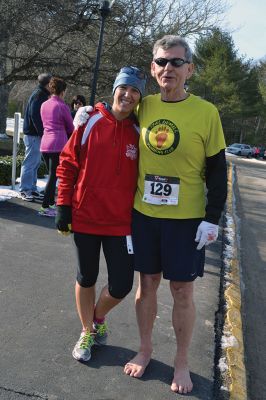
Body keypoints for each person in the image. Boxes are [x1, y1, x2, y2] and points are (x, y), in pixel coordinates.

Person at [122, 35, 227, 394]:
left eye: (176, 63)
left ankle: (182, 362)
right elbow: (114, 118)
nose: (169, 68)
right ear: (152, 69)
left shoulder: (206, 112)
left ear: (190, 69)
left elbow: (217, 171)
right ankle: (146, 349)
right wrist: (90, 111)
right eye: (162, 62)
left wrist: (212, 218)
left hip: (187, 220)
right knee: (146, 284)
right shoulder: (143, 106)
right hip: (144, 215)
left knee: (182, 290)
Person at [55, 67, 146, 362]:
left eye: (135, 91)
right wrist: (62, 205)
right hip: (86, 216)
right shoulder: (90, 121)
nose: (128, 95)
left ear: (139, 97)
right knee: (87, 276)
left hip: (121, 222)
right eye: (124, 88)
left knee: (122, 284)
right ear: (115, 89)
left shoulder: (139, 131)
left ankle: (97, 318)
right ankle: (86, 331)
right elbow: (67, 163)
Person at [39, 77, 74, 217]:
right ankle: (45, 206)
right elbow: (70, 127)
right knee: (54, 177)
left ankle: (50, 203)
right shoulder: (62, 106)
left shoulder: (44, 105)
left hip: (44, 144)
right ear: (63, 91)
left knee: (51, 176)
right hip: (58, 144)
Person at [19, 73, 52, 201]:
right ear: (48, 83)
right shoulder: (39, 95)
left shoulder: (41, 94)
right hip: (33, 134)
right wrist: (42, 132)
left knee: (35, 162)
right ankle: (25, 190)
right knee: (30, 163)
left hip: (34, 134)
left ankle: (31, 188)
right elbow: (35, 116)